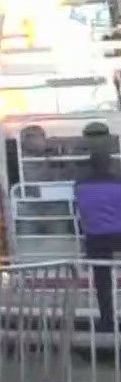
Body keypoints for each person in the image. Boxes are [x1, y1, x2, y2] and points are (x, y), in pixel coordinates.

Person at [73, 122, 121, 332]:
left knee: (102, 282)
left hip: (95, 235)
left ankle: (107, 321)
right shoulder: (117, 175)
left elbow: (79, 208)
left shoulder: (80, 179)